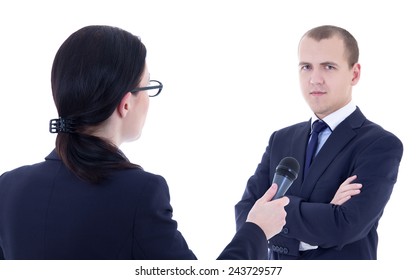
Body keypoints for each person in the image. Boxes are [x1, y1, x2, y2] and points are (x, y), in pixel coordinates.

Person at [0, 25, 289, 260]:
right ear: (125, 104)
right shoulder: (139, 193)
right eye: (148, 86)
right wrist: (256, 230)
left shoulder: (8, 187)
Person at [235, 25, 403, 260]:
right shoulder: (280, 139)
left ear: (354, 74)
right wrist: (324, 210)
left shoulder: (379, 144)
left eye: (328, 67)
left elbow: (345, 226)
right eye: (306, 67)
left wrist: (272, 214)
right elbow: (245, 215)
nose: (314, 79)